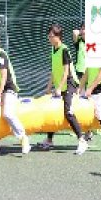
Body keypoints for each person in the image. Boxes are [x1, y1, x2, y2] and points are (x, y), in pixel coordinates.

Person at [39, 24, 88, 155]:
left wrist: (60, 88)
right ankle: (49, 140)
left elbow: (66, 72)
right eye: (49, 36)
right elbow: (54, 71)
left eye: (51, 36)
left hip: (70, 84)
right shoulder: (53, 49)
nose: (49, 38)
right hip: (60, 85)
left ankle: (82, 140)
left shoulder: (64, 50)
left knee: (68, 112)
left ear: (58, 36)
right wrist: (49, 87)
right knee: (52, 111)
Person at [0, 30, 30, 158]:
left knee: (7, 113)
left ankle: (23, 137)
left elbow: (3, 77)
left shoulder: (1, 55)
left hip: (9, 89)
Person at [78, 60, 101, 153]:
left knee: (100, 114)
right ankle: (86, 137)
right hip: (92, 90)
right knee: (87, 113)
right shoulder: (91, 56)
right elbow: (86, 73)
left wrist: (90, 89)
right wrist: (79, 89)